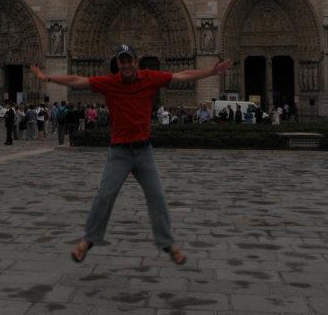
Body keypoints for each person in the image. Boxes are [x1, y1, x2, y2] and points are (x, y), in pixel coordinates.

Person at [31, 44, 231, 265]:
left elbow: (182, 75)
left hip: (144, 151)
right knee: (104, 196)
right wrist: (47, 77)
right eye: (122, 61)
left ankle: (168, 243)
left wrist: (211, 71)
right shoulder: (110, 82)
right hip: (120, 152)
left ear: (136, 61)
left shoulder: (149, 77)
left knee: (157, 196)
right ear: (118, 63)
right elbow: (77, 80)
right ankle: (88, 240)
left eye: (129, 60)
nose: (126, 65)